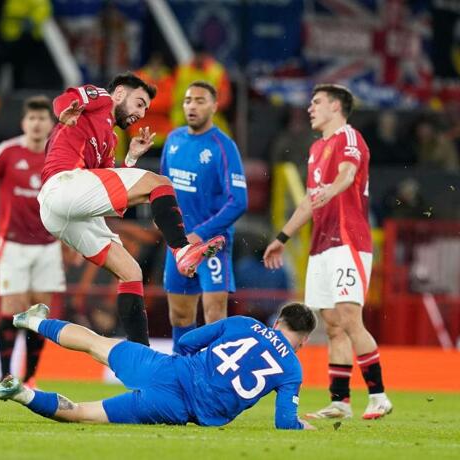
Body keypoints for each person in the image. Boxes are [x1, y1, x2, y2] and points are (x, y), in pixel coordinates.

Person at [39, 72, 225, 346]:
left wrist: (131, 158)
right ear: (119, 94)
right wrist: (63, 112)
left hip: (59, 212)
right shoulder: (101, 98)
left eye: (145, 109)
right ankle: (182, 250)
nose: (141, 113)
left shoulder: (109, 141)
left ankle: (140, 354)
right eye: (139, 103)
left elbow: (107, 190)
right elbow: (64, 99)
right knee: (159, 182)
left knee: (131, 272)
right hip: (62, 185)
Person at [0, 301, 317, 430]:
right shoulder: (292, 369)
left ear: (277, 321)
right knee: (82, 413)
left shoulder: (242, 323)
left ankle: (32, 322)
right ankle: (21, 393)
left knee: (96, 344)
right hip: (176, 407)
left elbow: (185, 343)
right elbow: (284, 423)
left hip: (169, 370)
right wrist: (303, 426)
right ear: (302, 340)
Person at [263, 84, 392, 420]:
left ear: (336, 106)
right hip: (321, 244)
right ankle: (340, 401)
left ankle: (378, 396)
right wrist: (283, 236)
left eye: (316, 102)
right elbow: (308, 200)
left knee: (350, 317)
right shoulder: (316, 148)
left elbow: (347, 175)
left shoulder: (349, 137)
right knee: (332, 325)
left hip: (348, 240)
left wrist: (330, 191)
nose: (310, 108)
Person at [0, 95, 65, 387]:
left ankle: (31, 376)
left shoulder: (58, 154)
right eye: (32, 118)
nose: (37, 124)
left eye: (42, 118)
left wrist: (73, 239)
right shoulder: (7, 152)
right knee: (12, 309)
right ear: (24, 122)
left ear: (51, 124)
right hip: (13, 244)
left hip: (49, 244)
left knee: (39, 313)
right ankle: (5, 376)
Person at [161, 81, 248, 353]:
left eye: (200, 100)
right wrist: (163, 221)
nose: (192, 106)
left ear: (214, 105)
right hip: (178, 245)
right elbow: (162, 189)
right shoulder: (173, 141)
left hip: (211, 246)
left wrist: (199, 234)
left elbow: (239, 202)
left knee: (213, 317)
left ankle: (214, 382)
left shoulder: (224, 146)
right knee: (180, 316)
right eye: (188, 100)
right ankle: (181, 378)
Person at [171, 44, 232, 136]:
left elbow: (224, 100)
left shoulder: (217, 72)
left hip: (210, 122)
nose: (199, 58)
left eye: (201, 55)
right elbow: (171, 95)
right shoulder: (182, 71)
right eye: (197, 55)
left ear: (205, 55)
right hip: (182, 122)